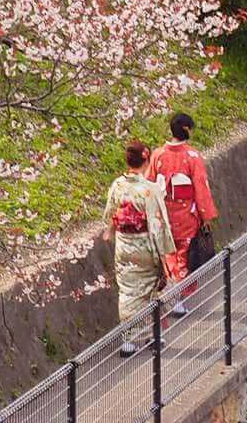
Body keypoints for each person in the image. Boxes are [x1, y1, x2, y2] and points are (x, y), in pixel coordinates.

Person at [104, 140, 175, 356]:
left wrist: (111, 230)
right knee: (150, 291)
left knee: (127, 292)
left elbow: (110, 214)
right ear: (146, 159)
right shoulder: (150, 190)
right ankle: (152, 336)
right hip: (145, 247)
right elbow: (159, 224)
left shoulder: (118, 185)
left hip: (124, 245)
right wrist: (164, 254)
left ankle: (128, 341)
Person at [150, 112, 217, 315]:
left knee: (168, 254)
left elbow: (150, 184)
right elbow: (201, 188)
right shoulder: (192, 156)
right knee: (184, 256)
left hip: (163, 213)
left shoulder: (157, 155)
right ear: (186, 130)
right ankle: (177, 299)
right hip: (186, 214)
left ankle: (170, 295)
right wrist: (205, 216)